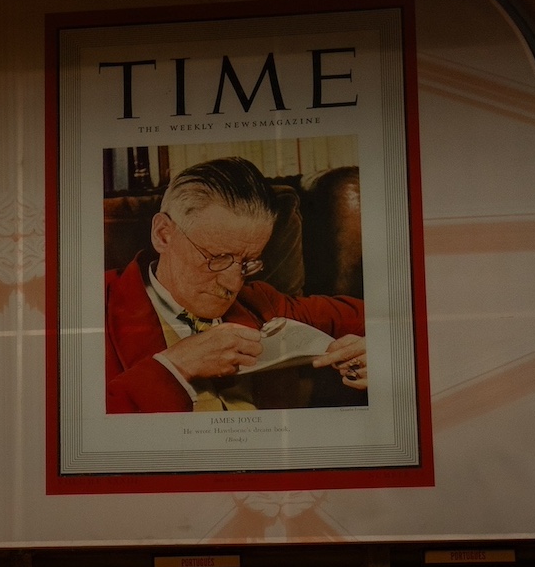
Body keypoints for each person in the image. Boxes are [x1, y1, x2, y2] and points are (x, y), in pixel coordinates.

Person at [105, 157, 367, 414]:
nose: (233, 284)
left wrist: (377, 352)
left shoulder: (258, 302)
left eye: (248, 262)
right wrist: (175, 366)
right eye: (217, 258)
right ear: (163, 234)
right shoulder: (95, 307)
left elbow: (375, 318)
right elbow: (85, 423)